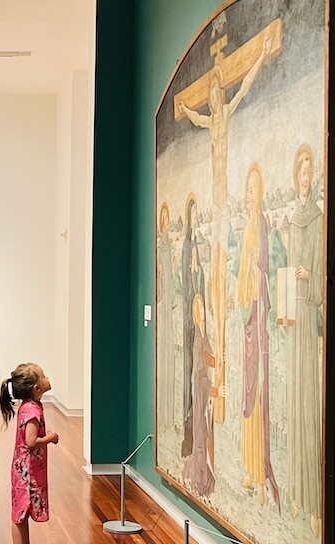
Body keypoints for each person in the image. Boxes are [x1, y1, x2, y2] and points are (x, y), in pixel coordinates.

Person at [179, 35, 273, 409]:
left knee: (223, 275)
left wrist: (261, 56)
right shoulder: (208, 118)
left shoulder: (226, 114)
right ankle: (216, 351)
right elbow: (194, 115)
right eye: (214, 93)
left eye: (219, 92)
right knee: (215, 279)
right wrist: (186, 109)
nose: (217, 97)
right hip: (215, 209)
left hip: (223, 205)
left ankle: (223, 359)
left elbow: (245, 86)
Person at [235, 164, 279, 508]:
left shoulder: (262, 225)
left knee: (259, 393)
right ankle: (249, 468)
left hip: (259, 322)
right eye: (247, 190)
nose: (250, 196)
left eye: (254, 190)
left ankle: (259, 469)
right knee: (247, 393)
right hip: (247, 322)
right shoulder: (248, 226)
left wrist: (256, 272)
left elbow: (266, 268)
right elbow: (240, 277)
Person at [285, 144, 323, 535]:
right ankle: (295, 491)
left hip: (308, 316)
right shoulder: (292, 220)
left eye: (310, 169)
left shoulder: (317, 218)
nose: (306, 175)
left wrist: (309, 277)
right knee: (295, 404)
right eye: (302, 168)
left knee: (309, 404)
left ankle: (313, 500)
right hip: (291, 317)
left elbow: (320, 276)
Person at [0, 363, 59, 544]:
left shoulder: (30, 406)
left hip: (28, 469)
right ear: (37, 387)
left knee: (23, 512)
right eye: (44, 376)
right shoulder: (32, 409)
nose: (47, 377)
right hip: (25, 472)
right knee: (20, 513)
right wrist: (50, 439)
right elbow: (31, 441)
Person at [182, 294, 216, 497]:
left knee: (204, 432)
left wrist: (217, 360)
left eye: (203, 308)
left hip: (203, 391)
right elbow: (199, 373)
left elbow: (208, 359)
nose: (202, 312)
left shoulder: (203, 336)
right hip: (201, 392)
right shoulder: (197, 339)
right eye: (199, 309)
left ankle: (202, 475)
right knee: (201, 433)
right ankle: (200, 478)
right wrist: (213, 391)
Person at [180, 194, 206, 456]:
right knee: (191, 373)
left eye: (199, 214)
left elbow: (201, 283)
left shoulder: (200, 244)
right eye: (194, 215)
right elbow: (185, 282)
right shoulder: (188, 245)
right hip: (190, 326)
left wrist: (200, 271)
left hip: (198, 323)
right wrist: (192, 270)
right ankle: (189, 422)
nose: (196, 219)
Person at [156, 202, 176, 431]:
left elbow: (174, 284)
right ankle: (164, 416)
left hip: (169, 312)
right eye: (164, 218)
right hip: (162, 312)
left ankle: (169, 418)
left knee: (170, 359)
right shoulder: (159, 249)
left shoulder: (170, 247)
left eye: (168, 218)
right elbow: (159, 286)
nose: (167, 223)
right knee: (164, 360)